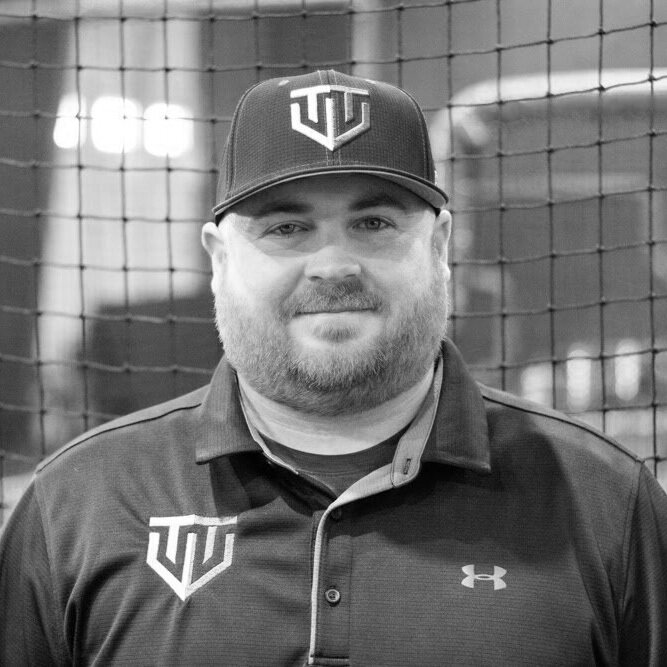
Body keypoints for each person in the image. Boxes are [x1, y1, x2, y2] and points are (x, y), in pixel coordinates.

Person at [1, 69, 666, 666]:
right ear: (219, 259)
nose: (333, 265)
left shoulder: (608, 502)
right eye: (286, 229)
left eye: (372, 223)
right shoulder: (78, 504)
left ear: (440, 246)